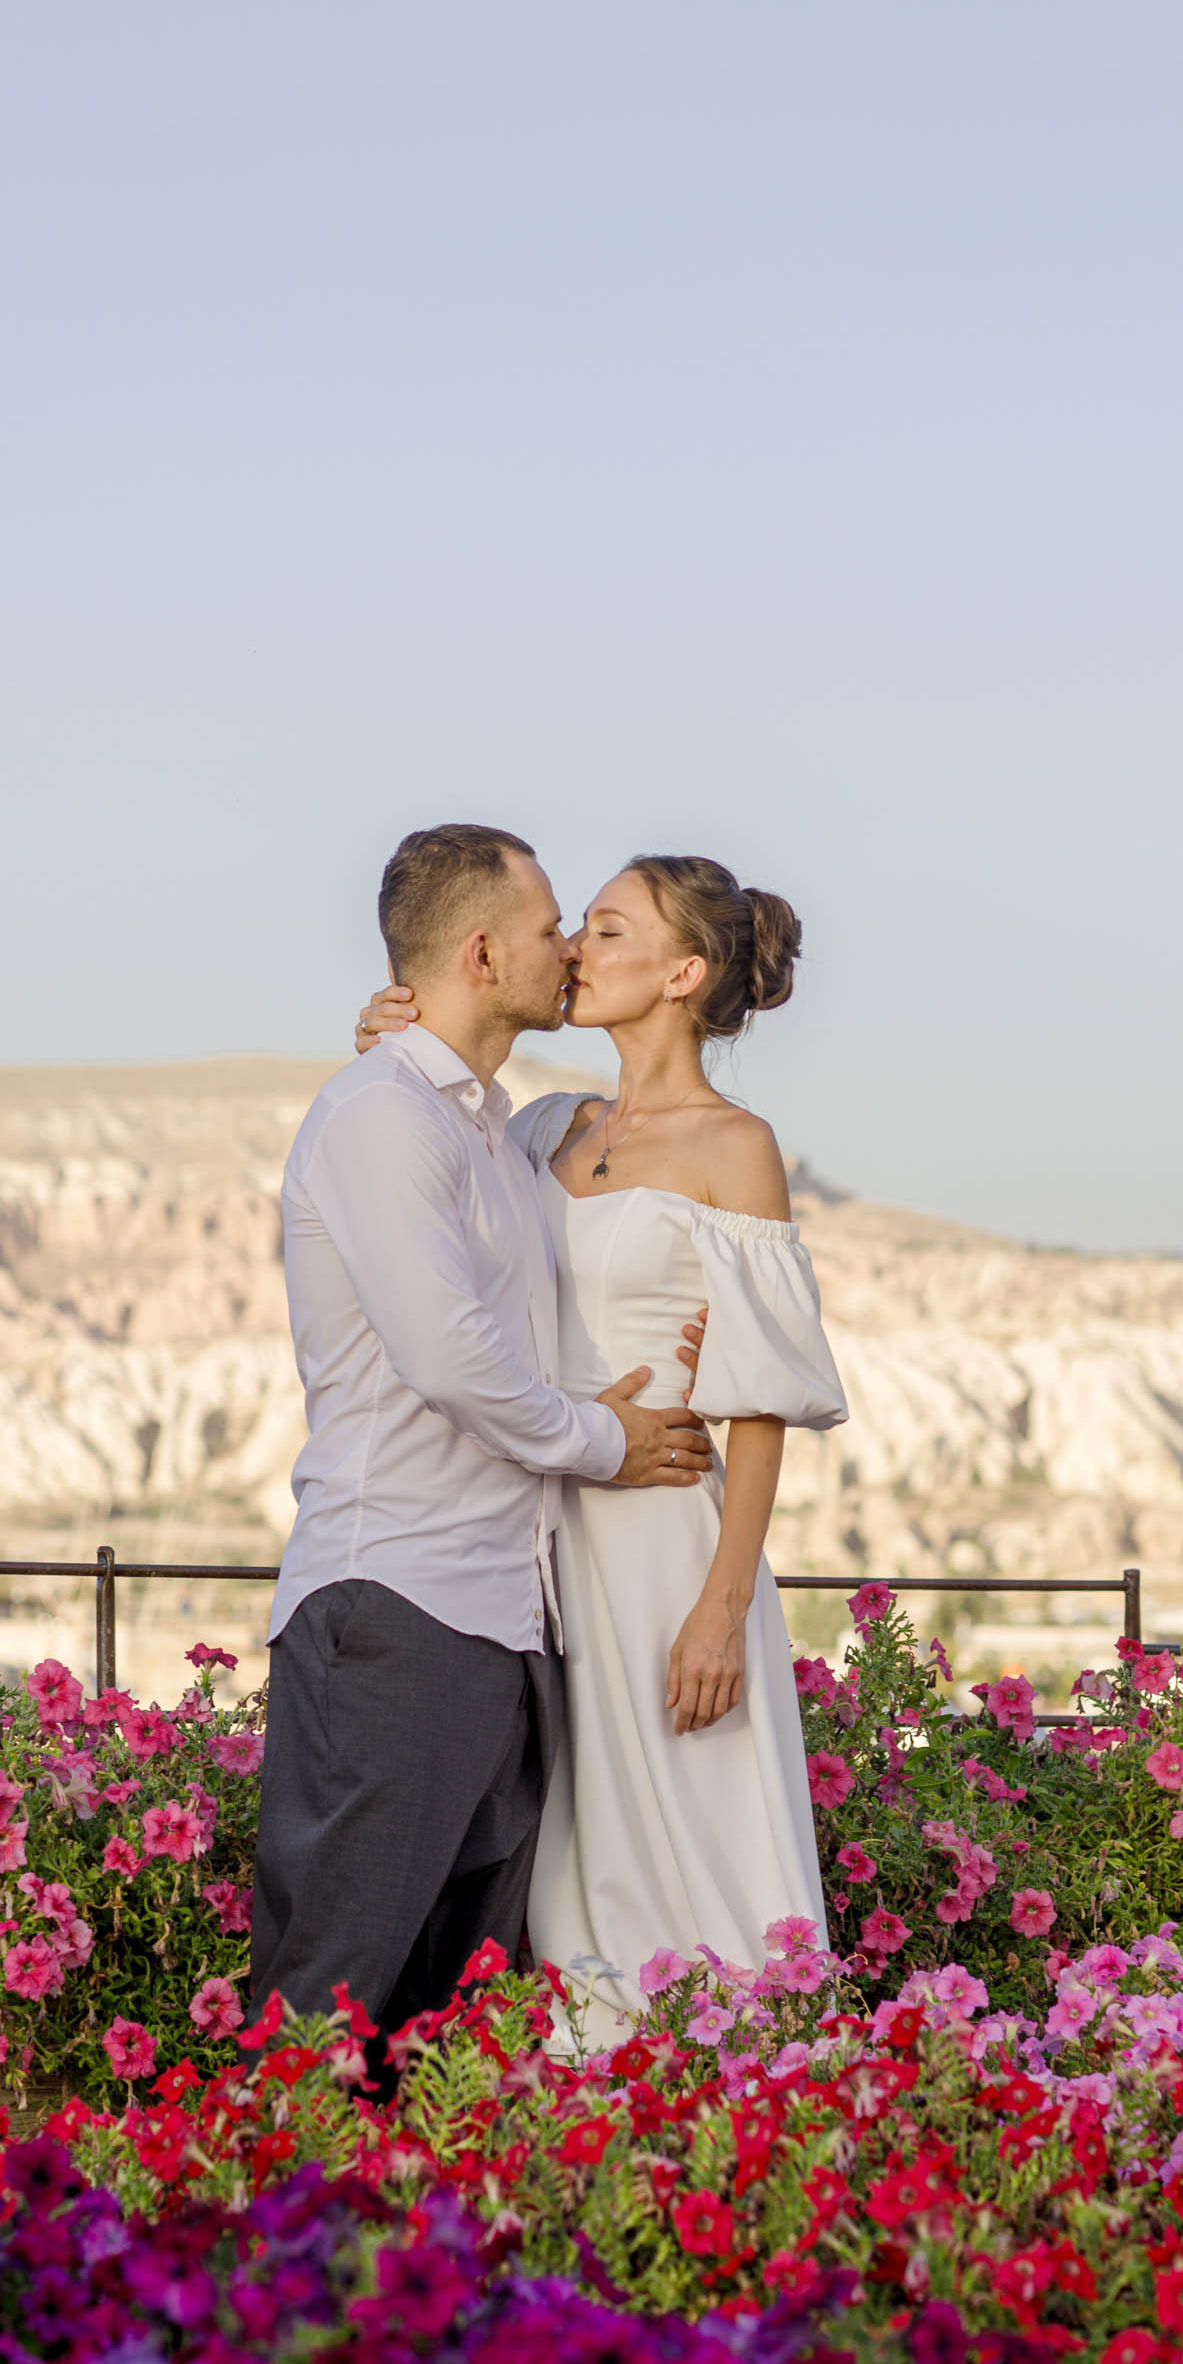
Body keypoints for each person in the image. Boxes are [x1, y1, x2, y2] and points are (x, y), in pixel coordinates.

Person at [353, 851, 847, 2034]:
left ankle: (755, 2100)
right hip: (536, 1535)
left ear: (683, 972)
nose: (575, 948)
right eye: (576, 926)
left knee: (702, 1836)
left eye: (609, 932)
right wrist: (384, 1048)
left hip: (667, 1544)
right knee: (574, 1859)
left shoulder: (736, 1148)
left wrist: (721, 1606)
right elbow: (426, 1173)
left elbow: (757, 1404)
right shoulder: (540, 1127)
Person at [249, 824, 716, 2044]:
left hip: (500, 1619)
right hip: (397, 1602)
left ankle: (407, 2233)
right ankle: (260, 2226)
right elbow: (451, 1358)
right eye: (553, 922)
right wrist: (606, 1445)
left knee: (450, 2012)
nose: (566, 946)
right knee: (332, 1995)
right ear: (479, 949)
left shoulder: (491, 1132)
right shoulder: (380, 1118)